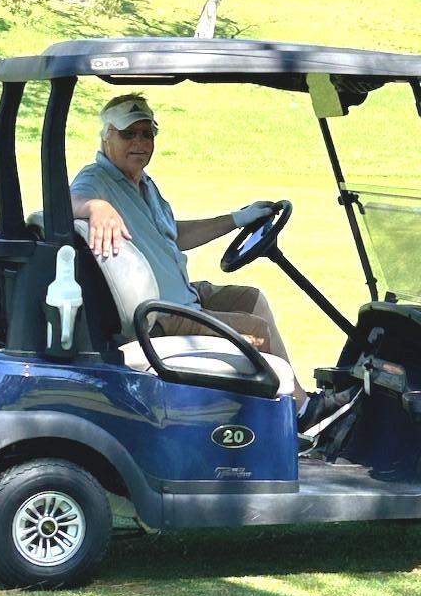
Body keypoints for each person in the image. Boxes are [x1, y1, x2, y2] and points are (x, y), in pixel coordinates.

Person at [70, 93, 360, 434]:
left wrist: (236, 219)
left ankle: (298, 403)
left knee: (251, 298)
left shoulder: (144, 184)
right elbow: (67, 201)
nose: (139, 142)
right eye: (128, 134)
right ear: (106, 137)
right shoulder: (97, 180)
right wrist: (95, 207)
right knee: (255, 330)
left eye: (147, 133)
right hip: (159, 315)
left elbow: (173, 235)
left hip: (181, 297)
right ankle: (297, 415)